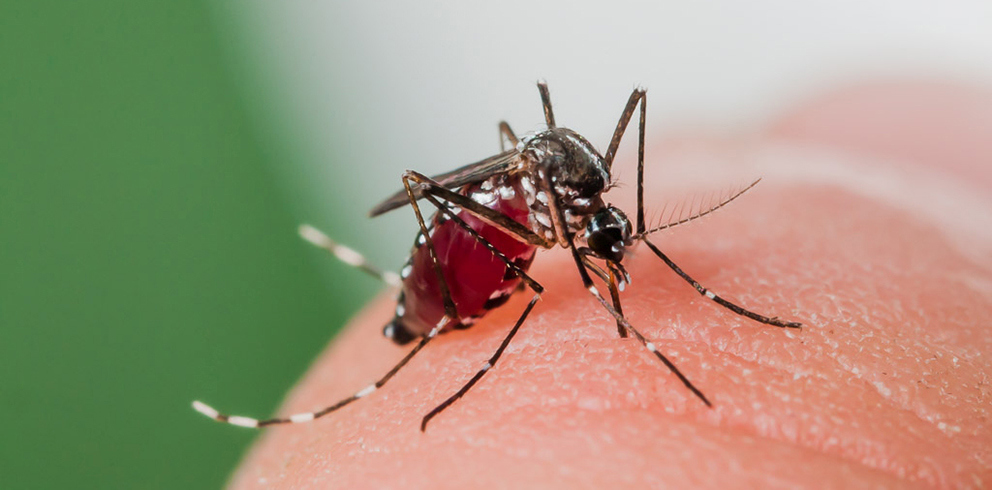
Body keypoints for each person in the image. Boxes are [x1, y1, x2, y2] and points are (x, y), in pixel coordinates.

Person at [226, 82, 992, 488]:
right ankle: (447, 318)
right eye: (611, 244)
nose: (615, 261)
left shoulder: (590, 198)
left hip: (533, 202)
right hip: (485, 227)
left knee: (630, 105)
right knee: (443, 193)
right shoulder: (563, 200)